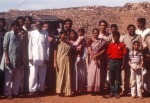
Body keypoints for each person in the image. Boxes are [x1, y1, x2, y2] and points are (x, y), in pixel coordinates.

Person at [0, 21, 25, 99]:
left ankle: (15, 92)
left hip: (17, 60)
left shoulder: (18, 35)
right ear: (12, 26)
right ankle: (8, 93)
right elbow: (5, 48)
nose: (17, 27)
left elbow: (20, 48)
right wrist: (7, 59)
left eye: (18, 26)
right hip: (10, 59)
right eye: (15, 26)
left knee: (16, 78)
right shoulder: (8, 34)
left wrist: (21, 59)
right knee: (8, 78)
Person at [28, 21, 49, 96]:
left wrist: (47, 58)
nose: (38, 26)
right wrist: (30, 57)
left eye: (39, 25)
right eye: (37, 25)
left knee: (42, 74)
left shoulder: (45, 33)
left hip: (43, 57)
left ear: (41, 25)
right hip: (34, 57)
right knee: (33, 74)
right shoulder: (32, 33)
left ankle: (41, 89)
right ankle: (32, 90)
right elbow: (30, 46)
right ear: (35, 26)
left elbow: (47, 47)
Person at [121, 24, 142, 96]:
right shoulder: (125, 37)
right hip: (127, 59)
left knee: (137, 77)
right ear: (128, 30)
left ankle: (138, 92)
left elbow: (141, 47)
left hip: (136, 60)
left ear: (134, 29)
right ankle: (125, 90)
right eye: (130, 29)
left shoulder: (138, 37)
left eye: (132, 29)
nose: (131, 30)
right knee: (126, 76)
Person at [87, 28, 106, 95]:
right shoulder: (90, 40)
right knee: (91, 73)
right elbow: (89, 49)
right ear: (93, 33)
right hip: (92, 59)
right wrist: (94, 57)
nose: (96, 34)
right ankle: (91, 89)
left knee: (98, 73)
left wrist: (97, 56)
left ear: (98, 33)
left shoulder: (101, 41)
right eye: (94, 33)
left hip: (99, 58)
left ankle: (97, 89)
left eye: (97, 33)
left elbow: (103, 50)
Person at [107, 31, 126, 98]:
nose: (115, 38)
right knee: (111, 77)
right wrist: (108, 64)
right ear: (113, 37)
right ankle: (111, 92)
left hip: (119, 62)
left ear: (119, 37)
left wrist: (123, 64)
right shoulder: (111, 44)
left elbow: (124, 55)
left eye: (116, 37)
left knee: (118, 78)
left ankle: (116, 92)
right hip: (112, 61)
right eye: (114, 37)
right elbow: (108, 55)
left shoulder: (122, 45)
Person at [54, 30, 72, 96]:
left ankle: (66, 91)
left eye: (65, 35)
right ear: (60, 35)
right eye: (63, 34)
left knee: (66, 75)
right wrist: (54, 63)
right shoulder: (57, 43)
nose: (64, 36)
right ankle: (59, 90)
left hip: (66, 60)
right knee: (60, 75)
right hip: (59, 60)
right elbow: (55, 52)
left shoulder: (68, 43)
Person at [72, 28, 87, 94]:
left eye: (81, 32)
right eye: (79, 32)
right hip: (77, 57)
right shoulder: (79, 38)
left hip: (80, 57)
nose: (80, 33)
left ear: (83, 33)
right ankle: (77, 88)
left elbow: (76, 46)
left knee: (80, 73)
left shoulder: (82, 39)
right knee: (77, 73)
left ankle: (80, 88)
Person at [98, 20, 110, 93]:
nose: (103, 27)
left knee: (106, 71)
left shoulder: (109, 35)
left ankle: (106, 86)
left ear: (106, 26)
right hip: (99, 56)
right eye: (101, 25)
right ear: (99, 26)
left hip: (106, 55)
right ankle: (99, 86)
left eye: (104, 25)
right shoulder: (97, 35)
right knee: (99, 71)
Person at [0, 18, 7, 95]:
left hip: (3, 56)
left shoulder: (6, 33)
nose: (1, 24)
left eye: (3, 22)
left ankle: (2, 91)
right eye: (0, 22)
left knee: (3, 74)